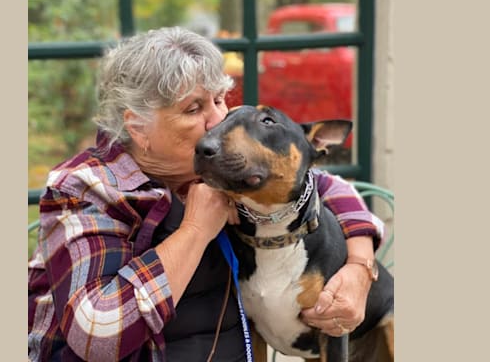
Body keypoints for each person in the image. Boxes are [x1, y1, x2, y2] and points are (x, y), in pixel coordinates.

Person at [28, 26, 385, 362]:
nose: (218, 122)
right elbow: (96, 336)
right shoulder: (86, 188)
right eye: (194, 108)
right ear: (138, 128)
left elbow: (320, 183)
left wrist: (357, 267)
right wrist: (195, 231)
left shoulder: (221, 170)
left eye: (219, 100)